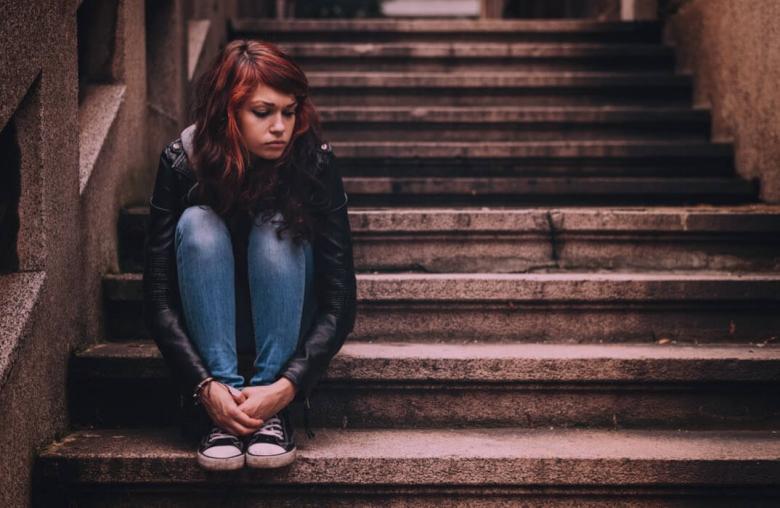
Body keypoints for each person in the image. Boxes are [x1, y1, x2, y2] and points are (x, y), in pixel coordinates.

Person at [142, 39, 357, 471]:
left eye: (289, 111)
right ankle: (223, 411)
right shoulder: (181, 162)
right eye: (263, 112)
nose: (280, 126)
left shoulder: (314, 162)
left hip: (285, 335)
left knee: (275, 224)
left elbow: (339, 301)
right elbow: (159, 296)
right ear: (228, 113)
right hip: (209, 336)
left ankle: (267, 413)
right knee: (198, 222)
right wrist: (204, 385)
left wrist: (288, 384)